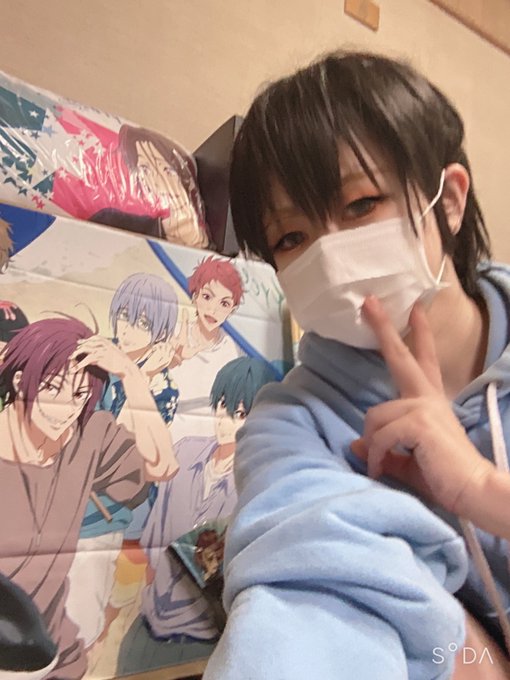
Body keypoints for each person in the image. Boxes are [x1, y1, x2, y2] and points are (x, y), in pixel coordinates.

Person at [201, 50, 510, 680]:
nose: (332, 254)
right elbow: (311, 602)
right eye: (291, 238)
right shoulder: (290, 425)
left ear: (449, 200)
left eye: (362, 204)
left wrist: (483, 490)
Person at [0, 317, 177, 679]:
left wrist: (131, 375)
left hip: (55, 653)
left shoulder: (89, 435)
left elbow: (162, 464)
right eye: (52, 389)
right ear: (20, 382)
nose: (64, 410)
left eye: (79, 396)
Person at [116, 357, 277, 675]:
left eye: (240, 414)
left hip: (206, 639)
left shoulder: (258, 484)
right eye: (222, 406)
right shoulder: (186, 451)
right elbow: (154, 542)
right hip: (149, 622)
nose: (225, 421)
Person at [66, 272, 180, 648]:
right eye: (126, 316)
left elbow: (139, 455)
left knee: (98, 603)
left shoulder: (162, 386)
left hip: (118, 507)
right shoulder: (97, 354)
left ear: (160, 332)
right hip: (69, 495)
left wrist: (137, 376)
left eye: (144, 322)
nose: (129, 329)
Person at [90, 124, 209, 248]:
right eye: (145, 170)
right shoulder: (111, 221)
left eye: (167, 170)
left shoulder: (208, 235)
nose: (157, 181)